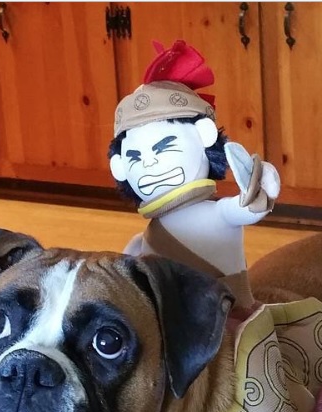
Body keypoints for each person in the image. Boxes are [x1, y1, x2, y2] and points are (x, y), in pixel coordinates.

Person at [108, 40, 280, 309]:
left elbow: (245, 209)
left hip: (227, 315)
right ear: (119, 166)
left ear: (204, 135)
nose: (149, 163)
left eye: (164, 147)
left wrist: (258, 190)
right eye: (135, 157)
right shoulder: (150, 232)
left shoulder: (219, 214)